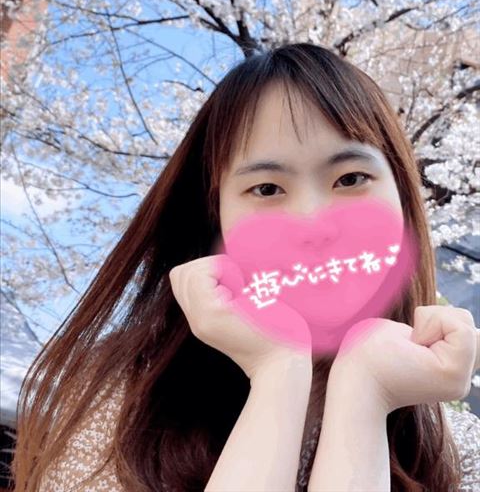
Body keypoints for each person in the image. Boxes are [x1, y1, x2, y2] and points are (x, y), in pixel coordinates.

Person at [12, 43, 480, 491]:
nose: (313, 223)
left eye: (351, 178)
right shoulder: (122, 400)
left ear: (402, 199)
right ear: (215, 218)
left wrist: (366, 390)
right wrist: (278, 368)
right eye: (266, 189)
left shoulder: (459, 452)